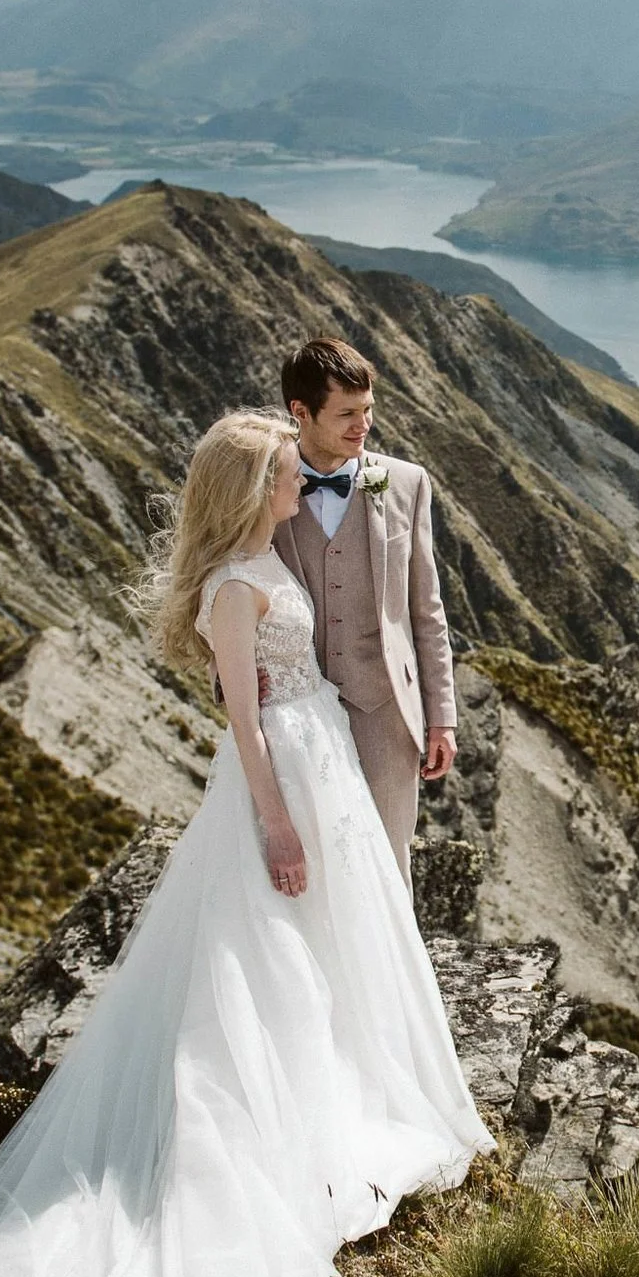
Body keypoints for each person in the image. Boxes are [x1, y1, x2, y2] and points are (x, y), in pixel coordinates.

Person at [0, 408, 494, 1277]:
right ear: (254, 493)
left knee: (326, 943)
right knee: (269, 960)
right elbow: (244, 725)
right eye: (287, 477)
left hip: (319, 761)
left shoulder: (259, 559)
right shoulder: (230, 589)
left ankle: (332, 1087)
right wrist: (277, 824)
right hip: (281, 777)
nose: (300, 489)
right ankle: (269, 1129)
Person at [269, 337, 456, 880]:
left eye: (368, 409)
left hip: (386, 712)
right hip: (292, 711)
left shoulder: (405, 482)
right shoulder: (260, 484)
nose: (363, 425)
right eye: (347, 413)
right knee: (303, 863)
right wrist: (227, 680)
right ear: (299, 412)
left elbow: (427, 611)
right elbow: (223, 586)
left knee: (385, 863)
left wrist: (441, 716)